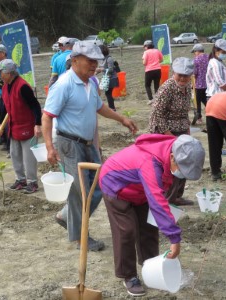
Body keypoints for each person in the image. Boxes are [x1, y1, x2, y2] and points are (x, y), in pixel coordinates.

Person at [42, 41, 138, 251]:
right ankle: (80, 238)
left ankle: (66, 216)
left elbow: (100, 108)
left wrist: (122, 119)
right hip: (69, 144)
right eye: (90, 61)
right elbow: (47, 117)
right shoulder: (64, 84)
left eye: (96, 61)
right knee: (80, 192)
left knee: (101, 184)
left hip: (87, 143)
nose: (94, 65)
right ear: (75, 60)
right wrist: (50, 147)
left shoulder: (91, 83)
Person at [99, 134, 205, 297]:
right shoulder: (149, 161)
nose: (183, 174)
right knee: (126, 231)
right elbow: (157, 200)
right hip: (116, 186)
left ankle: (150, 265)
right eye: (182, 170)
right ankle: (129, 275)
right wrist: (174, 238)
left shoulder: (176, 150)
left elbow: (166, 189)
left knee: (149, 226)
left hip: (140, 189)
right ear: (172, 158)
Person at [149, 57, 194, 206]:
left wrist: (187, 132)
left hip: (180, 128)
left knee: (185, 161)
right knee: (171, 166)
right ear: (173, 73)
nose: (182, 78)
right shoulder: (167, 88)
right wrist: (170, 137)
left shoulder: (188, 87)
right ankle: (167, 200)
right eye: (179, 75)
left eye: (186, 75)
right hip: (164, 131)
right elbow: (157, 115)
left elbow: (184, 112)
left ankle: (177, 196)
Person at [0, 59, 42, 194]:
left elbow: (35, 106)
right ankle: (20, 179)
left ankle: (32, 182)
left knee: (29, 156)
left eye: (1, 73)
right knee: (15, 154)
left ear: (9, 73)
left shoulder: (23, 86)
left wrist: (38, 124)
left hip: (27, 125)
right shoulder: (5, 86)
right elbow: (5, 107)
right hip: (13, 126)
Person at [95, 44, 119, 111]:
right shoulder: (102, 59)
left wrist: (101, 69)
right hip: (106, 78)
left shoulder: (109, 58)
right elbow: (101, 68)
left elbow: (110, 69)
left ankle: (112, 108)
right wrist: (95, 73)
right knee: (108, 93)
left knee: (108, 93)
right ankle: (111, 107)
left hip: (111, 78)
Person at [191, 43, 209, 124]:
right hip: (208, 83)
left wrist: (192, 83)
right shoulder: (209, 57)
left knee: (198, 101)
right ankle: (212, 112)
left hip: (199, 84)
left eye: (194, 52)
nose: (194, 54)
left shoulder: (196, 59)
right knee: (205, 99)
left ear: (197, 51)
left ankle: (199, 118)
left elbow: (195, 72)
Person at [142, 40, 163, 104]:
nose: (144, 48)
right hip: (158, 70)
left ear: (147, 46)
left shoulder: (146, 52)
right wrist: (156, 63)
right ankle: (157, 99)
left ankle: (150, 99)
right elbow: (162, 59)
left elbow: (144, 63)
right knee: (156, 85)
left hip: (149, 70)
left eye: (145, 46)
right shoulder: (157, 51)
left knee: (147, 85)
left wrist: (144, 62)